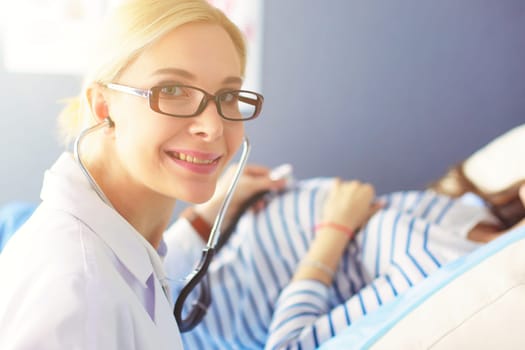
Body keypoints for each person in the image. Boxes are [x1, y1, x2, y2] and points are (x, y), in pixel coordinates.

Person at [0, 1, 274, 349]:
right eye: (172, 90)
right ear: (104, 106)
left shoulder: (119, 240)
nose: (213, 126)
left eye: (229, 94)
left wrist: (204, 219)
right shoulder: (75, 294)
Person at [164, 163, 525, 349]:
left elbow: (292, 346)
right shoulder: (475, 210)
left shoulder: (436, 268)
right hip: (202, 255)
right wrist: (210, 216)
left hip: (190, 318)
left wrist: (334, 232)